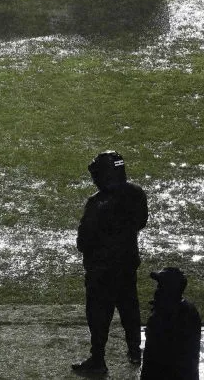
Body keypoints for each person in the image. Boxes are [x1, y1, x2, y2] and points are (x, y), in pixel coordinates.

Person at [72, 151, 149, 376]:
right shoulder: (136, 194)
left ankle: (98, 359)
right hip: (126, 264)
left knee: (98, 315)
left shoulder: (97, 203)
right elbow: (141, 221)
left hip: (101, 270)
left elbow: (83, 240)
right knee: (129, 309)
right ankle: (135, 351)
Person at [141, 266, 201, 380]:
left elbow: (152, 359)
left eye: (160, 286)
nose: (157, 290)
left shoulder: (163, 317)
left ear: (167, 290)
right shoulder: (190, 310)